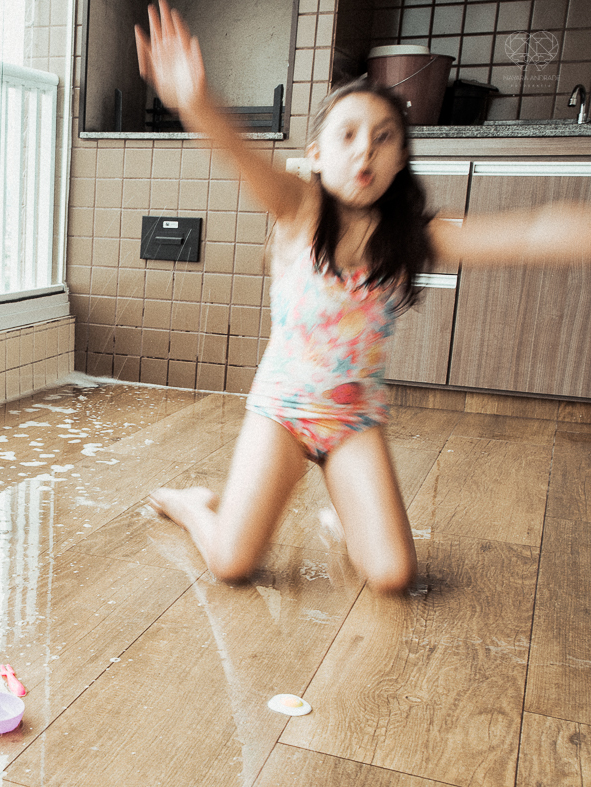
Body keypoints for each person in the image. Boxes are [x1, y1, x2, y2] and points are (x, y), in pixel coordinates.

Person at [136, 0, 591, 593]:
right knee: (232, 565)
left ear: (402, 158)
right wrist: (194, 103)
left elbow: (530, 233)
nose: (365, 151)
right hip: (283, 412)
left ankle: (345, 517)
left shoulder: (415, 236)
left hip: (352, 420)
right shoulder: (298, 209)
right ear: (318, 154)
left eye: (383, 139)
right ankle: (192, 502)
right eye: (347, 136)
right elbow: (239, 154)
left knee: (393, 575)